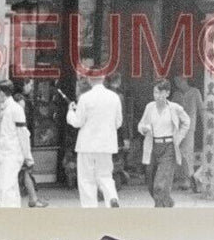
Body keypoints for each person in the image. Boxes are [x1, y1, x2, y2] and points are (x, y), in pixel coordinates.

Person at [66, 70, 123, 208]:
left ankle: (90, 208)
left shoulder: (85, 98)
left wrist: (70, 112)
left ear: (90, 80)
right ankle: (112, 198)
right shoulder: (114, 97)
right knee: (105, 176)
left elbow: (78, 122)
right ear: (103, 78)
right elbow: (118, 122)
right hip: (106, 145)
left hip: (86, 145)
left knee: (86, 179)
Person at [137, 79, 191, 208]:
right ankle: (167, 202)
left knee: (160, 184)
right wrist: (143, 129)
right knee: (150, 182)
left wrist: (178, 138)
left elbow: (187, 122)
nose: (159, 96)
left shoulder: (174, 108)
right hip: (153, 146)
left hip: (168, 147)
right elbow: (141, 124)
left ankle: (160, 211)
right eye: (156, 92)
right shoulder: (149, 107)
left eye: (162, 93)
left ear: (167, 93)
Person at [0, 80, 32, 208]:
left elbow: (24, 134)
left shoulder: (15, 109)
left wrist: (28, 156)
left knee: (5, 189)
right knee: (11, 188)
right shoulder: (5, 108)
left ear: (1, 93)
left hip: (11, 154)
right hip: (5, 154)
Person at [171, 74, 204, 192]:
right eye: (175, 82)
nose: (177, 84)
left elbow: (201, 109)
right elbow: (171, 111)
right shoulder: (176, 95)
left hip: (190, 127)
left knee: (187, 152)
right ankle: (182, 180)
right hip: (178, 128)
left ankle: (190, 179)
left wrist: (206, 125)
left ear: (185, 80)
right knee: (178, 152)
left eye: (179, 81)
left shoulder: (195, 92)